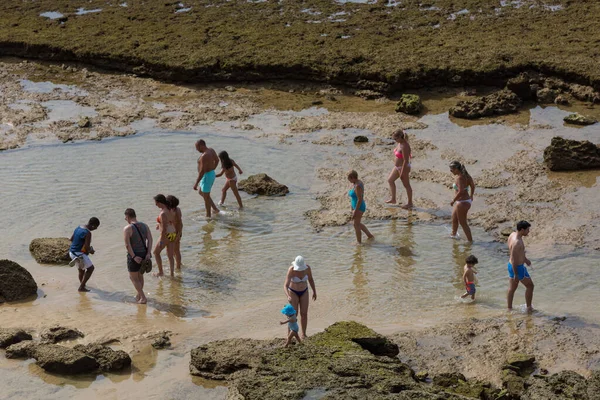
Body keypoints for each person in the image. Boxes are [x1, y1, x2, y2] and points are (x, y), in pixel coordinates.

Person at [123, 208, 153, 304]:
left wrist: (134, 256)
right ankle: (139, 295)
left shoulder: (127, 228)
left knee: (133, 278)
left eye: (125, 217)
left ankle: (143, 297)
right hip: (144, 254)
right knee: (140, 276)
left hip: (134, 255)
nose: (125, 219)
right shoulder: (145, 226)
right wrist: (148, 253)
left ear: (128, 217)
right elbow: (150, 239)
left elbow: (127, 245)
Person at [283, 256, 317, 339]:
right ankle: (289, 334)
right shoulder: (291, 270)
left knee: (304, 313)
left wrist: (314, 291)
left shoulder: (307, 268)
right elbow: (285, 285)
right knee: (293, 315)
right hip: (293, 292)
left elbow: (311, 280)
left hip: (304, 291)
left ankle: (303, 334)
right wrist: (288, 295)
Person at [507, 221, 534, 312]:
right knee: (530, 286)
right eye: (527, 230)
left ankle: (509, 308)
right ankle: (529, 308)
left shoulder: (512, 234)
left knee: (512, 288)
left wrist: (525, 259)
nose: (528, 231)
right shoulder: (517, 242)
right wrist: (516, 274)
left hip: (511, 265)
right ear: (522, 230)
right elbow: (515, 260)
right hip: (517, 268)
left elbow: (515, 254)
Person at [68, 217, 100, 292]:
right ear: (92, 225)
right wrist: (91, 251)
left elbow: (71, 239)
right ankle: (81, 287)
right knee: (91, 268)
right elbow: (87, 247)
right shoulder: (88, 233)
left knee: (81, 270)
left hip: (71, 252)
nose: (95, 229)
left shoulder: (78, 227)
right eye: (96, 227)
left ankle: (82, 285)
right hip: (79, 253)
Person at [385, 129, 413, 209]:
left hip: (403, 167)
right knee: (390, 180)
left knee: (406, 185)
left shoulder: (405, 146)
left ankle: (410, 203)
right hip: (397, 167)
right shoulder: (399, 143)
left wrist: (402, 172)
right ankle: (393, 199)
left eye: (396, 139)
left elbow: (406, 160)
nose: (395, 140)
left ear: (400, 137)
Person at [193, 139, 220, 218]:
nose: (196, 149)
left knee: (206, 197)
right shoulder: (211, 150)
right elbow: (217, 160)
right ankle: (215, 209)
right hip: (210, 174)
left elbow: (201, 171)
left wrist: (196, 183)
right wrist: (212, 169)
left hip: (206, 176)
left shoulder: (205, 155)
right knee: (201, 193)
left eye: (197, 147)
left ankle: (208, 216)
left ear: (201, 146)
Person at [449, 160, 476, 242]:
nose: (451, 171)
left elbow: (461, 191)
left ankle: (470, 241)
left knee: (463, 223)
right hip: (465, 201)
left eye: (451, 170)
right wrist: (471, 195)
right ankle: (453, 236)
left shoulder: (460, 178)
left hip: (462, 203)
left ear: (456, 169)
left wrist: (453, 200)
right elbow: (472, 185)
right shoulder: (466, 175)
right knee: (454, 219)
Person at [153, 194, 177, 277]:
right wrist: (158, 224)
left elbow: (164, 228)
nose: (156, 205)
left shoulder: (163, 213)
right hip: (173, 233)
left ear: (159, 202)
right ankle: (172, 274)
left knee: (156, 253)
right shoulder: (170, 210)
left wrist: (162, 240)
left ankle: (161, 272)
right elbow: (171, 222)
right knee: (170, 255)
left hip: (166, 235)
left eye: (156, 203)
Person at [348, 170, 374, 245]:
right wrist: (352, 208)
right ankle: (370, 236)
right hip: (356, 207)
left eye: (349, 179)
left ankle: (359, 242)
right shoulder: (356, 183)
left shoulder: (358, 186)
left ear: (352, 178)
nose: (349, 181)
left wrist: (355, 211)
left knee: (356, 225)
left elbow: (360, 199)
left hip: (359, 207)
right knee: (358, 223)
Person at [166, 195, 183, 270]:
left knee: (174, 251)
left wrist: (178, 234)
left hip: (174, 233)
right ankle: (178, 264)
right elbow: (180, 222)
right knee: (176, 250)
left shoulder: (171, 211)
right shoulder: (178, 209)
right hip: (178, 231)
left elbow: (178, 222)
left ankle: (178, 267)